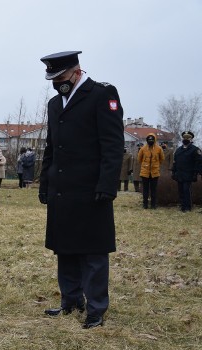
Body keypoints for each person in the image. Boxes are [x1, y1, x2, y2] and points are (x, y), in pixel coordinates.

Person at [38, 51, 124, 329]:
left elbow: (112, 145)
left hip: (91, 188)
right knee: (65, 247)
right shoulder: (54, 103)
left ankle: (96, 309)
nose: (56, 83)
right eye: (52, 79)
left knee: (93, 251)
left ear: (77, 72)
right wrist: (45, 182)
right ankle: (71, 300)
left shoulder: (101, 94)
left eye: (60, 77)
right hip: (62, 189)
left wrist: (107, 185)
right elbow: (52, 146)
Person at [172, 131, 202, 212]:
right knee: (181, 191)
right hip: (180, 174)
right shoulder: (178, 150)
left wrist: (196, 173)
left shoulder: (195, 149)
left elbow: (198, 162)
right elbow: (175, 162)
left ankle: (188, 207)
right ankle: (182, 206)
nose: (185, 139)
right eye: (184, 138)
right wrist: (173, 172)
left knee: (186, 191)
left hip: (189, 174)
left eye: (187, 138)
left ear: (191, 139)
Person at [138, 133, 164, 209]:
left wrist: (156, 165)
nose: (150, 141)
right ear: (147, 140)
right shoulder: (143, 149)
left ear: (154, 140)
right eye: (149, 140)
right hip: (145, 172)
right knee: (145, 190)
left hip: (155, 173)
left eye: (152, 140)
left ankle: (153, 205)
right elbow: (139, 159)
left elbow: (162, 159)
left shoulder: (159, 149)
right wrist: (145, 165)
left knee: (154, 190)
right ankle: (145, 204)